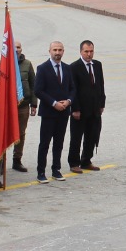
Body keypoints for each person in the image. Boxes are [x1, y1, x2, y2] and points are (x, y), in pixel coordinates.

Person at [34, 40, 74, 183]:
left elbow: (72, 89)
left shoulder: (67, 68)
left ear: (63, 51)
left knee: (59, 142)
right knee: (44, 143)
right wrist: (53, 103)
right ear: (49, 51)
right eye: (55, 50)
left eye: (60, 50)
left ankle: (56, 169)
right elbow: (38, 90)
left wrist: (69, 101)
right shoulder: (42, 68)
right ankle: (41, 172)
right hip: (49, 112)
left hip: (63, 112)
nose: (57, 53)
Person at [67, 40, 106, 173]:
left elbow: (101, 85)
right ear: (81, 52)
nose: (89, 54)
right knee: (77, 137)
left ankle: (86, 160)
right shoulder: (74, 67)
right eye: (86, 52)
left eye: (91, 51)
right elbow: (73, 90)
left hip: (95, 109)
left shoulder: (97, 65)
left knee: (92, 135)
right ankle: (74, 162)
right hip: (80, 110)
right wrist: (75, 109)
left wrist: (102, 103)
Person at [13, 41, 36, 172]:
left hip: (23, 105)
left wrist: (34, 103)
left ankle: (17, 159)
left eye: (19, 47)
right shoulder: (1, 64)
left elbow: (33, 84)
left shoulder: (27, 64)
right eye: (14, 47)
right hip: (8, 107)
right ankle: (1, 162)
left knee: (21, 133)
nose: (16, 50)